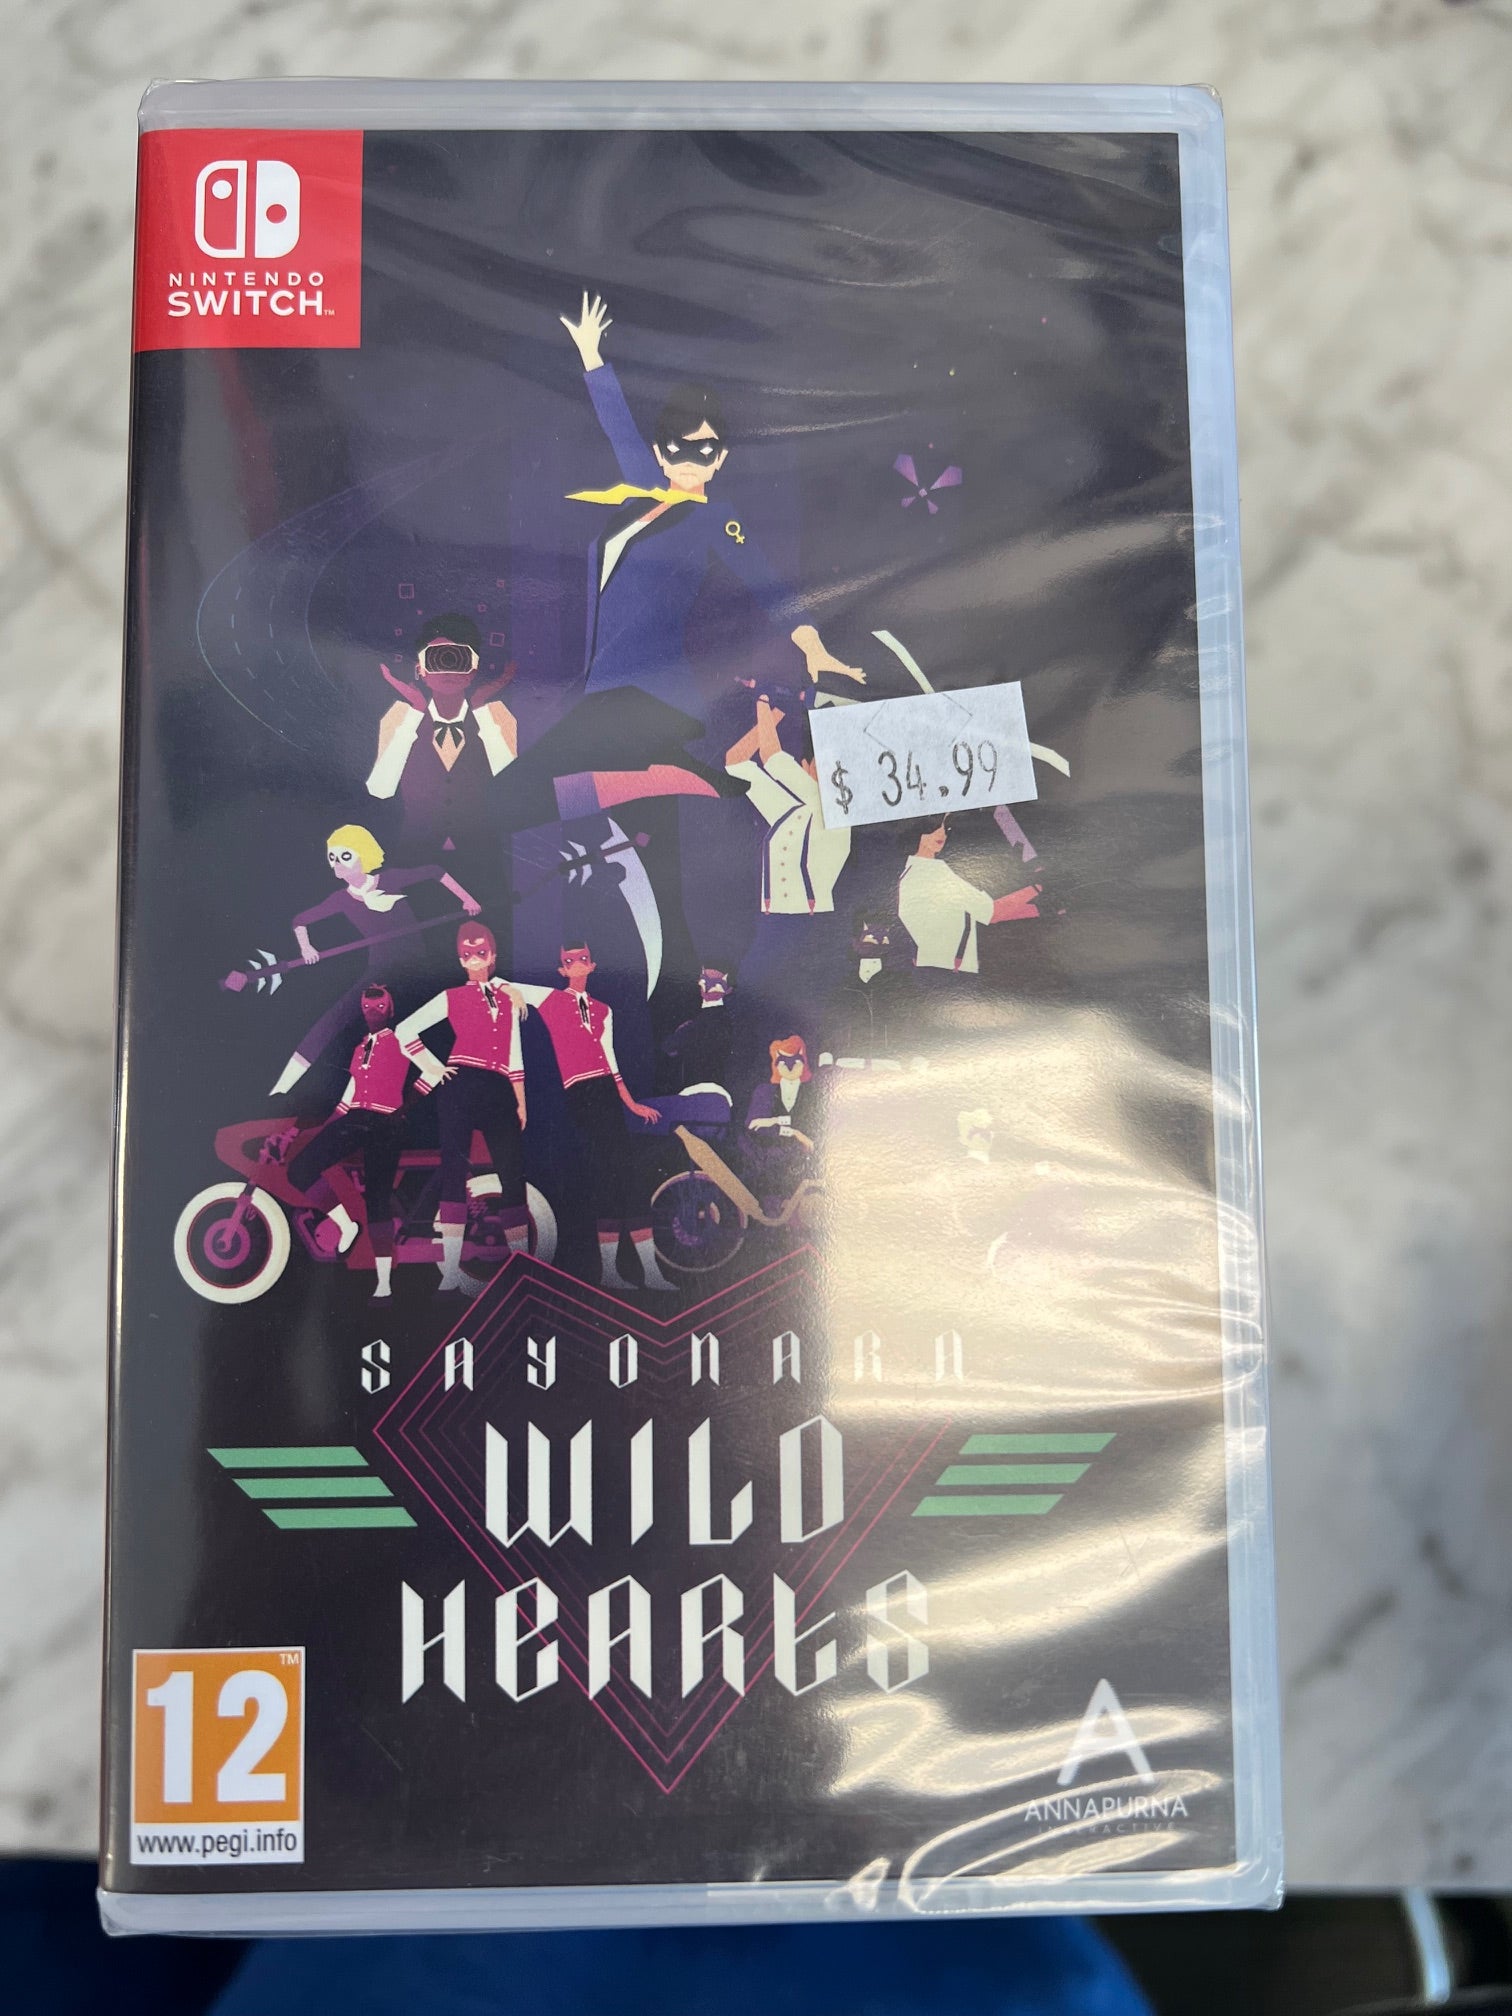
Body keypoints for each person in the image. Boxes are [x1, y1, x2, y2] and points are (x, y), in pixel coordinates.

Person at [559, 292, 863, 723]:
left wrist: (812, 645)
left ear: (720, 458)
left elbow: (766, 583)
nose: (688, 461)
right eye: (676, 448)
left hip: (656, 696)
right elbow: (619, 427)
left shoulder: (715, 520)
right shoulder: (645, 491)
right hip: (604, 688)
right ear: (659, 454)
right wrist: (590, 353)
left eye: (704, 450)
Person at [269, 824, 482, 1097]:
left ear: (364, 853)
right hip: (379, 970)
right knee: (332, 1020)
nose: (337, 864)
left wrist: (467, 899)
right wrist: (306, 948)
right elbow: (300, 921)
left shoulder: (390, 879)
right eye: (332, 857)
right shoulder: (340, 899)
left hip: (417, 968)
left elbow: (434, 871)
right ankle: (282, 1089)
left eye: (345, 856)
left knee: (430, 1021)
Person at [512, 944, 675, 1295]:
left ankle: (647, 1271)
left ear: (592, 965)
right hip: (580, 1094)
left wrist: (631, 1104)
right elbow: (500, 984)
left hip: (606, 1092)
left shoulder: (603, 1010)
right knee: (608, 1175)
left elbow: (611, 1062)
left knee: (626, 1176)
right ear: (562, 970)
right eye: (569, 962)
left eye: (582, 960)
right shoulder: (552, 1000)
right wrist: (513, 996)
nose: (576, 965)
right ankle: (612, 1272)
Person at [395, 923, 530, 1295]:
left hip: (498, 1086)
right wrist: (434, 1067)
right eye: (467, 955)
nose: (474, 960)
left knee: (512, 1175)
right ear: (460, 960)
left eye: (481, 953)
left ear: (493, 955)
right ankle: (451, 1272)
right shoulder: (451, 996)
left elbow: (514, 1054)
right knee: (454, 1172)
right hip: (460, 1084)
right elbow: (405, 1031)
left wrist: (520, 1099)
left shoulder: (508, 998)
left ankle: (521, 1264)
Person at [725, 694, 852, 1025]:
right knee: (752, 1004)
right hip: (775, 923)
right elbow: (736, 762)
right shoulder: (795, 808)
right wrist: (776, 709)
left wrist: (766, 701)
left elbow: (772, 757)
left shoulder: (831, 807)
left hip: (808, 928)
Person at [285, 984, 412, 1299]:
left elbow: (434, 1071)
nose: (373, 1012)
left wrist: (406, 1107)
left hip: (386, 1123)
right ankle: (345, 1223)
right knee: (300, 1169)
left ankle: (384, 1281)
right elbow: (348, 1097)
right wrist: (325, 1128)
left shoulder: (404, 1039)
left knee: (377, 1201)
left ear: (391, 1010)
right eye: (367, 1008)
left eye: (379, 1007)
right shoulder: (360, 1048)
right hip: (355, 1118)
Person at [366, 613, 518, 859]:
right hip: (414, 854)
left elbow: (510, 789)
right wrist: (415, 712)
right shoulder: (400, 716)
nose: (448, 668)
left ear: (474, 668)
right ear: (420, 668)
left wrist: (481, 708)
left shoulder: (496, 715)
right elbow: (380, 789)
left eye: (457, 657)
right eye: (437, 658)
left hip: (482, 854)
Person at [897, 816, 1040, 976]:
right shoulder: (934, 872)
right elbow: (992, 912)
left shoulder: (909, 872)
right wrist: (1038, 888)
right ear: (918, 830)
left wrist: (1039, 908)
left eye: (946, 828)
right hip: (949, 972)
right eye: (935, 827)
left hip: (933, 968)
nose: (942, 834)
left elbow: (981, 914)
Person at [818, 910, 917, 1071]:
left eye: (884, 939)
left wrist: (914, 1057)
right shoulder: (844, 987)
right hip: (848, 1065)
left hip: (888, 1066)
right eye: (870, 939)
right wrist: (826, 1055)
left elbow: (910, 1023)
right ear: (855, 943)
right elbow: (831, 1024)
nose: (878, 944)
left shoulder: (899, 986)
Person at [743, 1034, 823, 1197]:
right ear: (776, 1065)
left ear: (804, 1063)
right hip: (767, 1159)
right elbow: (753, 1126)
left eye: (796, 1062)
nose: (790, 1067)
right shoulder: (765, 1091)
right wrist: (793, 1132)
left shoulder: (813, 1093)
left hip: (800, 1162)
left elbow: (812, 1123)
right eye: (784, 1062)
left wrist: (773, 1121)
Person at [662, 966, 735, 1092]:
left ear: (728, 990)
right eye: (705, 980)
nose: (708, 986)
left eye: (715, 983)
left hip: (701, 1089)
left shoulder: (702, 1022)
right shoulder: (719, 1018)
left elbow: (669, 1046)